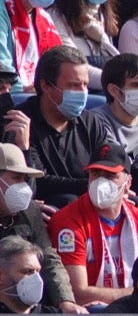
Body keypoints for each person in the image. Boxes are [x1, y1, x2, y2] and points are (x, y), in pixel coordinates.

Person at [48, 142, 138, 305]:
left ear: (128, 182)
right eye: (95, 173)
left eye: (110, 175)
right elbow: (78, 293)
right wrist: (137, 294)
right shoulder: (68, 221)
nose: (100, 182)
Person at [16, 44, 115, 201]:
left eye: (85, 85)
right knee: (68, 200)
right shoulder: (21, 122)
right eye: (74, 85)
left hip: (95, 197)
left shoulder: (91, 121)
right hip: (52, 204)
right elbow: (39, 181)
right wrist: (91, 186)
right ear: (46, 85)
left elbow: (112, 157)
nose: (82, 92)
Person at [0, 141, 78, 312]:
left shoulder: (29, 210)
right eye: (16, 178)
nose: (23, 186)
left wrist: (65, 300)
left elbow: (48, 258)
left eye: (25, 179)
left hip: (23, 305)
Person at [47, 0, 124, 89]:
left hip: (108, 87)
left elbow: (116, 62)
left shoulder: (100, 14)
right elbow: (73, 67)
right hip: (79, 89)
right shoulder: (55, 17)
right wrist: (121, 83)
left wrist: (103, 39)